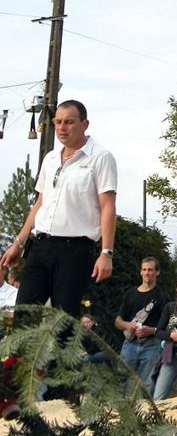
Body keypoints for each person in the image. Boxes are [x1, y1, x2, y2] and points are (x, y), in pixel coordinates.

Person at [0, 100, 117, 318]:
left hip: (74, 251)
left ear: (84, 124)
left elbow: (108, 206)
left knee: (63, 321)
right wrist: (18, 242)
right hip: (40, 246)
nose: (62, 127)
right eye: (58, 122)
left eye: (69, 122)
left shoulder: (100, 158)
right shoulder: (50, 158)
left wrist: (106, 252)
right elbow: (40, 203)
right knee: (23, 316)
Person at [114, 257, 168, 394]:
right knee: (122, 379)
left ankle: (142, 407)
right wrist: (127, 325)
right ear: (140, 272)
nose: (147, 273)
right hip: (130, 343)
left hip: (152, 345)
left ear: (157, 272)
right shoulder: (130, 294)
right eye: (144, 269)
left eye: (150, 270)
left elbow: (168, 326)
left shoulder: (163, 297)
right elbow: (118, 321)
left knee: (146, 384)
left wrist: (152, 330)